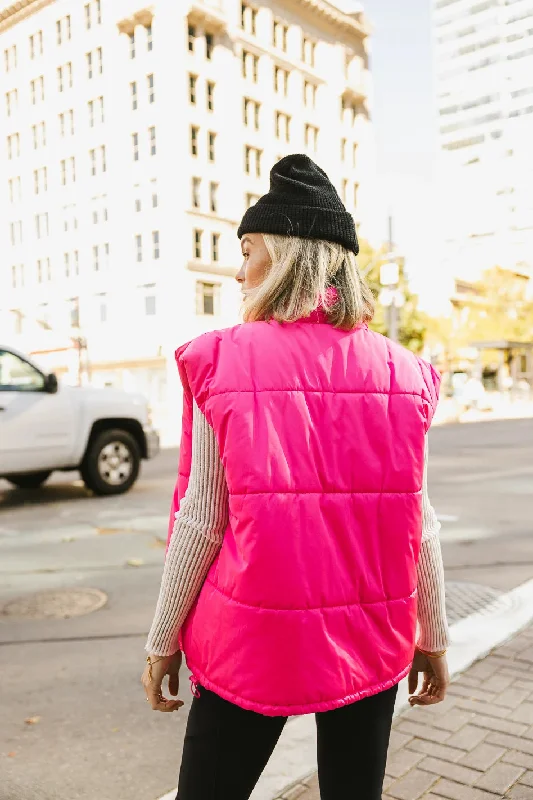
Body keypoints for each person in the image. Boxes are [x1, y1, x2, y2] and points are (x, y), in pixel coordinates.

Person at [142, 155, 450, 800]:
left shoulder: (221, 359)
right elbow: (418, 523)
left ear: (281, 257)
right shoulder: (405, 372)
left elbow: (202, 519)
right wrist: (433, 635)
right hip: (369, 642)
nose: (237, 268)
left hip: (253, 642)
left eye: (247, 249)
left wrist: (163, 638)